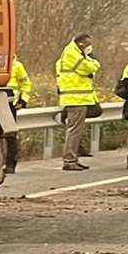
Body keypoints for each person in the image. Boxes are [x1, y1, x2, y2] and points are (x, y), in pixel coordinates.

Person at [56, 33, 100, 171]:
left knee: (75, 130)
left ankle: (73, 158)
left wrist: (91, 63)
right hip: (75, 98)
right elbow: (89, 67)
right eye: (88, 44)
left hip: (79, 98)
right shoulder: (71, 53)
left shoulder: (76, 53)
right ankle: (69, 160)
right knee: (74, 130)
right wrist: (92, 62)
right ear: (81, 43)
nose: (89, 48)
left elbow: (92, 67)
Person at [3, 56, 32, 174]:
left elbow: (26, 83)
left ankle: (10, 164)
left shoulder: (16, 65)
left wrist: (22, 101)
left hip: (11, 104)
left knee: (10, 136)